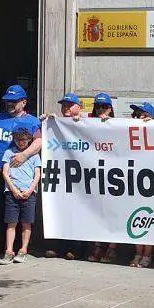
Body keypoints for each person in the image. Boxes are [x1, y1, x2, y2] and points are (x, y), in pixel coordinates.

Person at [0, 84, 41, 257]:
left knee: (21, 216)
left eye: (13, 101)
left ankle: (19, 248)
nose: (9, 104)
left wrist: (24, 155)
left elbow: (39, 142)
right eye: (7, 101)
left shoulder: (32, 121)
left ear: (24, 102)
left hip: (22, 176)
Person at [41, 93, 87, 260]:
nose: (66, 108)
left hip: (83, 176)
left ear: (78, 107)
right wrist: (48, 121)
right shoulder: (57, 123)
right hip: (62, 176)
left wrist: (81, 119)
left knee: (79, 212)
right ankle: (60, 247)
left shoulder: (85, 121)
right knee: (60, 211)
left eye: (70, 105)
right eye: (63, 105)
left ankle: (77, 249)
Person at [0, 126, 42, 265]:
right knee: (11, 223)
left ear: (29, 140)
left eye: (24, 140)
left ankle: (23, 250)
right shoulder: (8, 153)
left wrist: (30, 190)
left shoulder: (34, 155)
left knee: (26, 223)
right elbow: (5, 173)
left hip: (29, 193)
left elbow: (37, 175)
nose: (21, 142)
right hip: (12, 193)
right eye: (18, 140)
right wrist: (13, 189)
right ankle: (9, 250)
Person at [85, 92, 118, 263]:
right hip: (95, 174)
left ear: (111, 108)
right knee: (97, 212)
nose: (101, 110)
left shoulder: (118, 124)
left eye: (104, 106)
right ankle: (97, 246)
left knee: (112, 212)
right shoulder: (88, 121)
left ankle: (112, 248)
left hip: (115, 175)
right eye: (98, 106)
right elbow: (72, 119)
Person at [129, 102, 154, 267]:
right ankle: (138, 252)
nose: (138, 117)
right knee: (136, 216)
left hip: (152, 179)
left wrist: (151, 125)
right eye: (136, 114)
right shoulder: (130, 129)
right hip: (135, 178)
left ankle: (148, 254)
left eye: (142, 114)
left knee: (150, 218)